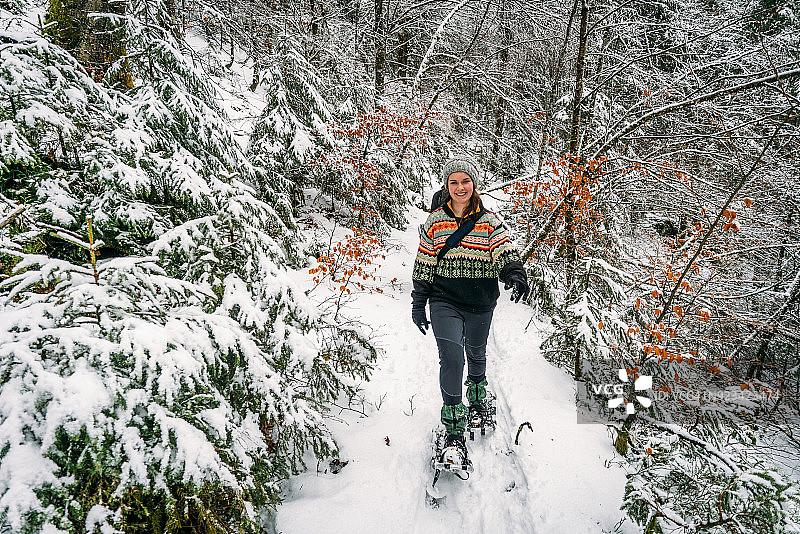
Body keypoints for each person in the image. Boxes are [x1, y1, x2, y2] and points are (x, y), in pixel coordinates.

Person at [411, 156, 529, 461]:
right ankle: (454, 432)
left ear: (474, 184)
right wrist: (419, 302)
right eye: (454, 182)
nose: (460, 187)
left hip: (479, 302)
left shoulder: (489, 221)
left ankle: (477, 398)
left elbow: (504, 250)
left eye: (465, 181)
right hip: (444, 300)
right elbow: (424, 263)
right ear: (446, 186)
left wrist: (514, 273)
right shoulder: (435, 222)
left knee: (476, 352)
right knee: (452, 359)